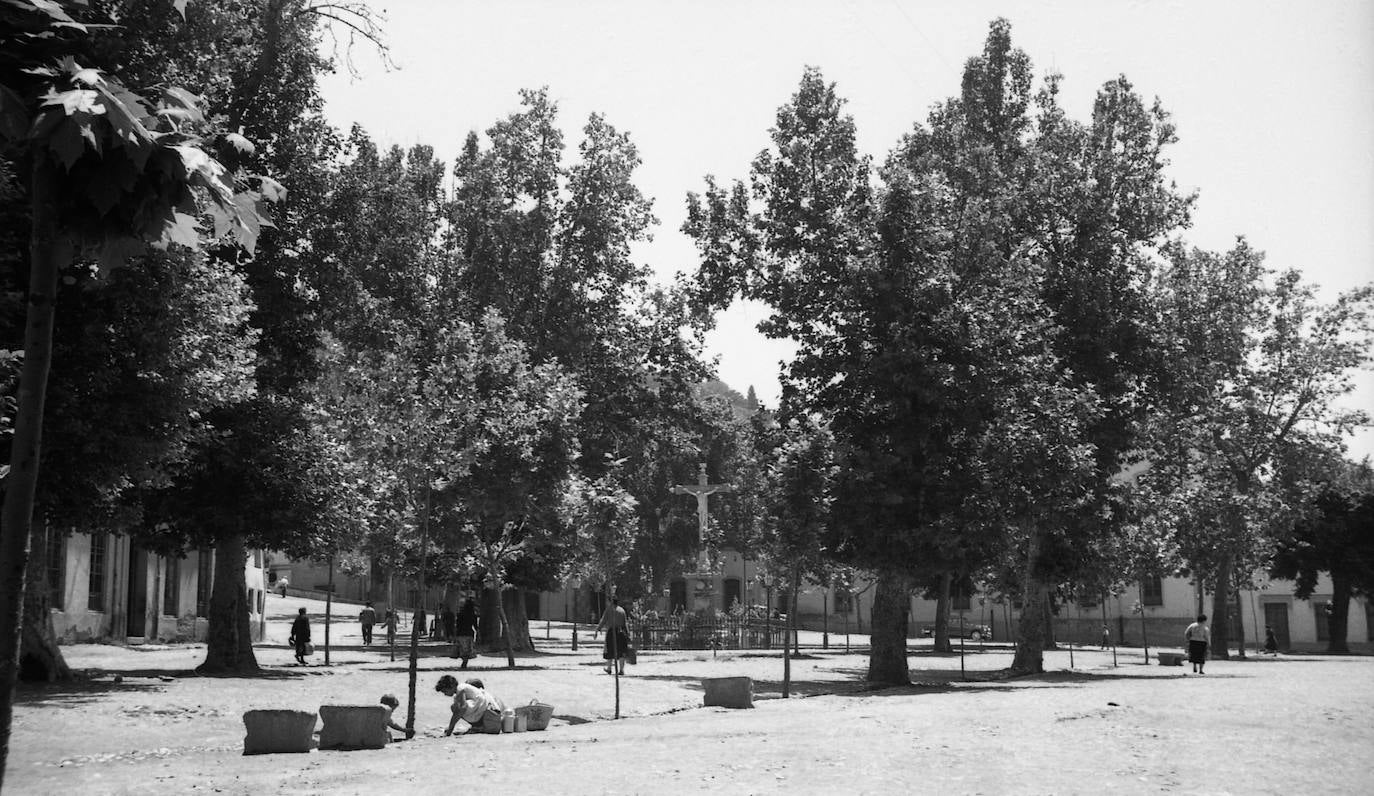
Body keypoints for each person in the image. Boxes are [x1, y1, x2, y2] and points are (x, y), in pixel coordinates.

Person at [435, 675, 504, 735]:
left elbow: (462, 708)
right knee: (456, 706)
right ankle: (478, 726)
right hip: (491, 714)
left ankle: (479, 726)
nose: (445, 694)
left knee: (456, 707)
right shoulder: (461, 690)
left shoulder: (460, 688)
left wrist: (450, 728)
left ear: (451, 686)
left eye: (445, 691)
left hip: (491, 715)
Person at [595, 596, 631, 675]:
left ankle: (609, 668)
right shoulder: (622, 610)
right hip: (621, 632)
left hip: (611, 632)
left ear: (611, 601)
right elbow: (625, 623)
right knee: (621, 652)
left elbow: (603, 620)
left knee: (610, 650)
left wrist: (598, 629)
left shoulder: (609, 610)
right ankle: (621, 670)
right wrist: (628, 634)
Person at [454, 597, 479, 668]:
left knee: (462, 648)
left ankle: (463, 660)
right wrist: (478, 632)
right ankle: (465, 661)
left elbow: (457, 624)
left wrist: (455, 633)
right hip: (469, 633)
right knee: (467, 649)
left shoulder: (460, 614)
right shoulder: (473, 615)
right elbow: (475, 625)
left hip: (460, 633)